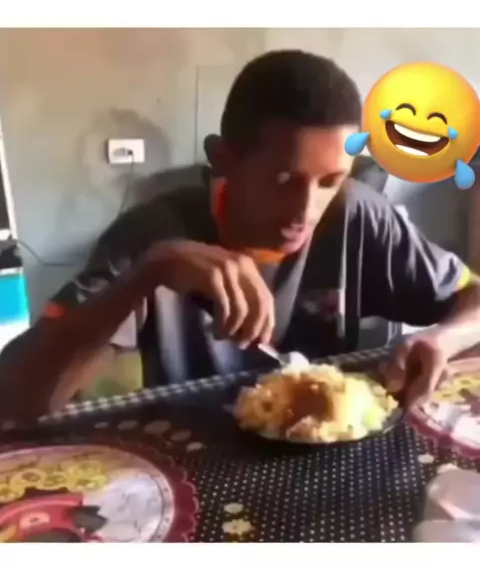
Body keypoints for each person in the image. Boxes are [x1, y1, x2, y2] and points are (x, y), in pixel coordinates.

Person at [1, 49, 479, 422]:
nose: (306, 211)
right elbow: (17, 399)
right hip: (195, 459)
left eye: (330, 181)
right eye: (283, 180)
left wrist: (445, 338)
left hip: (330, 450)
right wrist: (145, 278)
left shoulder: (358, 214)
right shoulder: (151, 239)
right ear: (225, 161)